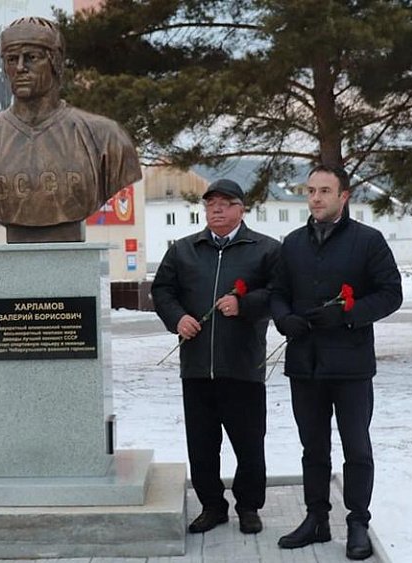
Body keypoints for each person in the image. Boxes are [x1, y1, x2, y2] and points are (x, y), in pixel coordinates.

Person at [270, 164, 402, 560]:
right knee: (313, 448)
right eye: (311, 190)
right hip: (305, 364)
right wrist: (284, 319)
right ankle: (316, 518)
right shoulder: (293, 243)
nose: (315, 198)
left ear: (344, 196)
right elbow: (278, 292)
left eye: (324, 191)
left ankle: (358, 521)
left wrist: (347, 315)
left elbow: (390, 294)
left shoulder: (368, 241)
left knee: (356, 447)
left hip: (351, 366)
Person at [151, 179, 280, 536]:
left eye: (225, 202)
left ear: (242, 208)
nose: (217, 209)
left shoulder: (266, 250)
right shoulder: (183, 250)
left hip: (242, 365)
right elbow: (162, 290)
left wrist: (244, 303)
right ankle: (212, 506)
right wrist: (177, 318)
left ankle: (249, 506)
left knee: (249, 444)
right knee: (202, 445)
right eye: (211, 204)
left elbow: (279, 293)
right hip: (196, 368)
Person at [0, 16, 141, 243]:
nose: (20, 68)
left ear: (55, 63)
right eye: (12, 59)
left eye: (32, 58)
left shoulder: (106, 138)